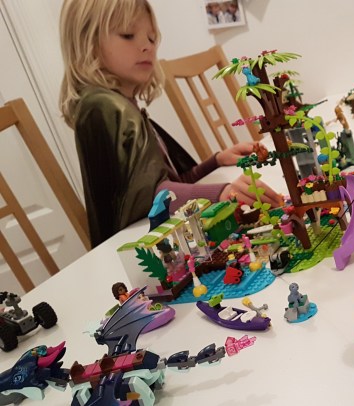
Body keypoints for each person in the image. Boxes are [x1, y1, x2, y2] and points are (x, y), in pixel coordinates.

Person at [59, 0, 282, 248]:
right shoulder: (104, 106)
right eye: (128, 35)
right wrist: (219, 192)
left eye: (152, 38)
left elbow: (167, 185)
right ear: (87, 42)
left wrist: (216, 161)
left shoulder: (124, 106)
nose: (147, 46)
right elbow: (149, 201)